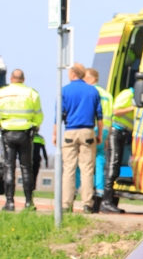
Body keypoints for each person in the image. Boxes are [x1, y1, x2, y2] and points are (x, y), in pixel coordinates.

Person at [54, 63, 103, 214]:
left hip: (70, 132)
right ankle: (87, 204)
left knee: (69, 169)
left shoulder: (64, 91)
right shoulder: (93, 91)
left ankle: (65, 204)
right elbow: (99, 116)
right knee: (87, 170)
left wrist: (55, 133)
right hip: (88, 132)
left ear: (73, 74)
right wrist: (99, 135)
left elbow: (58, 115)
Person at [0, 69, 43, 210]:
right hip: (25, 134)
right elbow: (38, 116)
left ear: (11, 78)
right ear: (23, 79)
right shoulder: (32, 93)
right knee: (26, 168)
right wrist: (35, 126)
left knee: (9, 167)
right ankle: (29, 203)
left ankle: (9, 203)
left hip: (7, 133)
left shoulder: (2, 93)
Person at [79, 68, 113, 210]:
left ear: (92, 79)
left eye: (86, 78)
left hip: (92, 130)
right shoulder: (107, 95)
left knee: (85, 164)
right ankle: (99, 196)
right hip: (104, 132)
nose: (84, 81)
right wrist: (106, 138)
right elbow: (110, 117)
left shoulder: (90, 92)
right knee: (99, 164)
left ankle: (81, 195)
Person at [100, 85, 136, 214]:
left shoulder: (133, 95)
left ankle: (110, 201)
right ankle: (107, 202)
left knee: (115, 167)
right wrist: (133, 107)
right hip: (116, 132)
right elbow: (115, 111)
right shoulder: (127, 94)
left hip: (123, 134)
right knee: (113, 166)